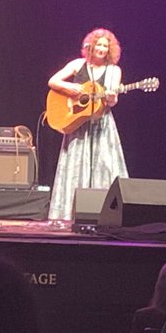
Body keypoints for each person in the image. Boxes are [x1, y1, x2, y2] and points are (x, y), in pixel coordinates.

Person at [47, 28, 130, 222]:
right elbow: (53, 81)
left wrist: (111, 97)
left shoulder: (113, 70)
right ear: (90, 46)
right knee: (74, 167)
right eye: (98, 44)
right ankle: (68, 213)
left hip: (101, 126)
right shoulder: (78, 64)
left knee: (106, 166)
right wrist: (70, 87)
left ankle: (107, 215)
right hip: (77, 124)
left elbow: (112, 100)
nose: (101, 49)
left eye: (105, 46)